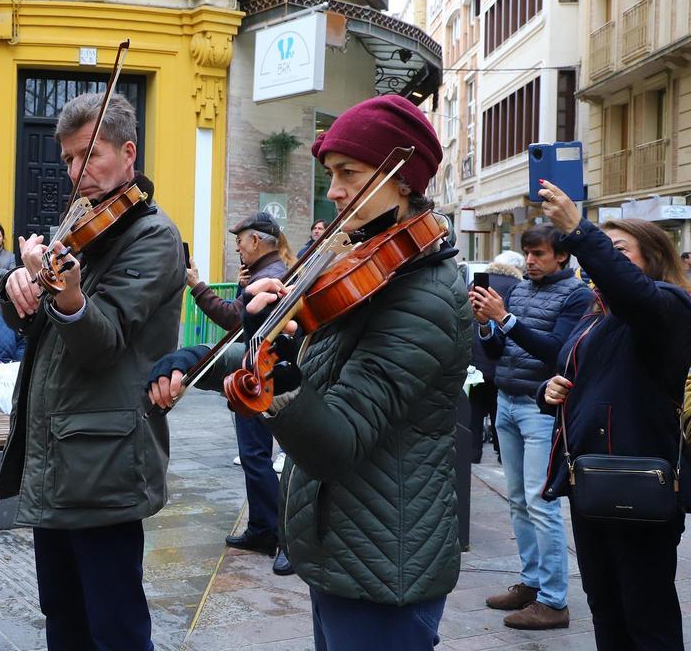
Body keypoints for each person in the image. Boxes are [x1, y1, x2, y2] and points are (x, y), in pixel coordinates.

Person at [150, 94, 468, 649]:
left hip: (385, 562)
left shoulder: (424, 294)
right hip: (342, 545)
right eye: (330, 174)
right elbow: (304, 368)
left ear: (401, 179)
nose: (336, 191)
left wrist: (280, 381)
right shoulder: (367, 271)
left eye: (349, 174)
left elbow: (337, 438)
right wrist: (196, 360)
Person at [0, 91, 184, 651]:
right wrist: (17, 289)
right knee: (63, 614)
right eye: (69, 161)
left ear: (129, 154)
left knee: (115, 624)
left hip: (107, 456)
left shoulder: (153, 236)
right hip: (57, 450)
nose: (77, 174)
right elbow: (30, 326)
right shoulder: (77, 223)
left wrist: (68, 295)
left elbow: (103, 344)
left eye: (90, 156)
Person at [537, 181, 691, 651]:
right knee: (604, 604)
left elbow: (635, 297)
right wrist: (552, 388)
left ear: (652, 259)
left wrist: (581, 232)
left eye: (618, 249)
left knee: (647, 614)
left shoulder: (668, 305)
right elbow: (578, 373)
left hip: (640, 483)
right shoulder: (595, 314)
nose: (601, 260)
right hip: (591, 482)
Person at [470, 226, 593, 630]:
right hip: (506, 399)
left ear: (561, 256)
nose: (531, 261)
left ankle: (554, 600)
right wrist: (487, 325)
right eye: (527, 254)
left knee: (542, 504)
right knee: (518, 500)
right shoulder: (521, 290)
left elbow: (557, 350)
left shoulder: (577, 295)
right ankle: (532, 581)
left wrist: (504, 318)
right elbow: (496, 350)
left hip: (540, 408)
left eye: (538, 253)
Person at [184, 211, 294, 576]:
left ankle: (280, 535)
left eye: (241, 241)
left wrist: (197, 285)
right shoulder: (265, 273)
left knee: (259, 456)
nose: (237, 247)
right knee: (254, 456)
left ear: (258, 241)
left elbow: (233, 318)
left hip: (263, 377)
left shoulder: (272, 276)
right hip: (256, 375)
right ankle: (263, 528)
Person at [468, 251, 524, 462]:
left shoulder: (478, 282)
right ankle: (503, 453)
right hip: (501, 356)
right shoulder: (517, 286)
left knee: (474, 408)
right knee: (497, 406)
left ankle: (473, 453)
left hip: (475, 354)